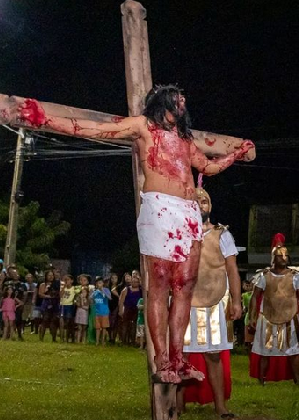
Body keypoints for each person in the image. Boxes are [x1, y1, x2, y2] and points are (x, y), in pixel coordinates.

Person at [16, 85, 254, 383]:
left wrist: (236, 154)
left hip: (188, 212)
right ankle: (163, 362)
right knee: (160, 283)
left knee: (185, 285)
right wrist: (45, 120)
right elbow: (96, 129)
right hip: (160, 208)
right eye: (178, 99)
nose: (183, 103)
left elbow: (207, 166)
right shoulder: (144, 126)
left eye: (184, 100)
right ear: (163, 101)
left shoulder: (185, 137)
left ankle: (179, 359)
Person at [177, 187, 242, 417]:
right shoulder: (180, 233)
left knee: (213, 356)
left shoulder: (222, 234)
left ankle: (220, 406)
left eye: (204, 202)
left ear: (209, 206)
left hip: (214, 304)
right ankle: (179, 404)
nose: (200, 205)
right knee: (181, 356)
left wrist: (237, 301)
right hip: (184, 303)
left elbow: (232, 270)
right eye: (195, 202)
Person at [249, 242, 299, 385]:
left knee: (293, 351)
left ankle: (297, 380)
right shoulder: (264, 276)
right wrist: (252, 316)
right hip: (267, 317)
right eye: (280, 255)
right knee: (265, 351)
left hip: (290, 317)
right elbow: (254, 296)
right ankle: (261, 380)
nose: (283, 258)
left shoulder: (295, 276)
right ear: (273, 258)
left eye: (285, 255)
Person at [119, 275, 142, 345]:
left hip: (136, 309)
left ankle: (132, 342)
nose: (134, 283)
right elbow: (121, 300)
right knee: (125, 325)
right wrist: (120, 310)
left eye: (136, 282)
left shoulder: (141, 290)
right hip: (127, 308)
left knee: (134, 325)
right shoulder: (126, 289)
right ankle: (123, 341)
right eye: (133, 282)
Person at [38, 270, 60, 342]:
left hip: (55, 303)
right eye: (49, 275)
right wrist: (47, 295)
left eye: (52, 275)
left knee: (54, 321)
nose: (51, 277)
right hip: (46, 304)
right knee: (45, 320)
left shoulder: (56, 284)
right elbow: (40, 294)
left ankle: (54, 338)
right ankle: (41, 338)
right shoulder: (43, 285)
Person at [92, 277, 110, 346]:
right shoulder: (95, 292)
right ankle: (97, 341)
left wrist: (103, 292)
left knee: (104, 327)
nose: (99, 284)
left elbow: (109, 298)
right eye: (97, 283)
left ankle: (103, 341)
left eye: (100, 283)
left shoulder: (106, 290)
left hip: (105, 312)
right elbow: (91, 300)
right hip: (97, 312)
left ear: (103, 283)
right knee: (97, 328)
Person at [59, 275, 76, 343]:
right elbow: (60, 295)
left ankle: (67, 337)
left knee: (68, 322)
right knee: (61, 322)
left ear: (72, 281)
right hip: (62, 305)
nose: (66, 281)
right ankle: (61, 338)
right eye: (65, 279)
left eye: (68, 279)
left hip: (70, 306)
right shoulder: (62, 287)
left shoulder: (74, 288)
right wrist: (64, 287)